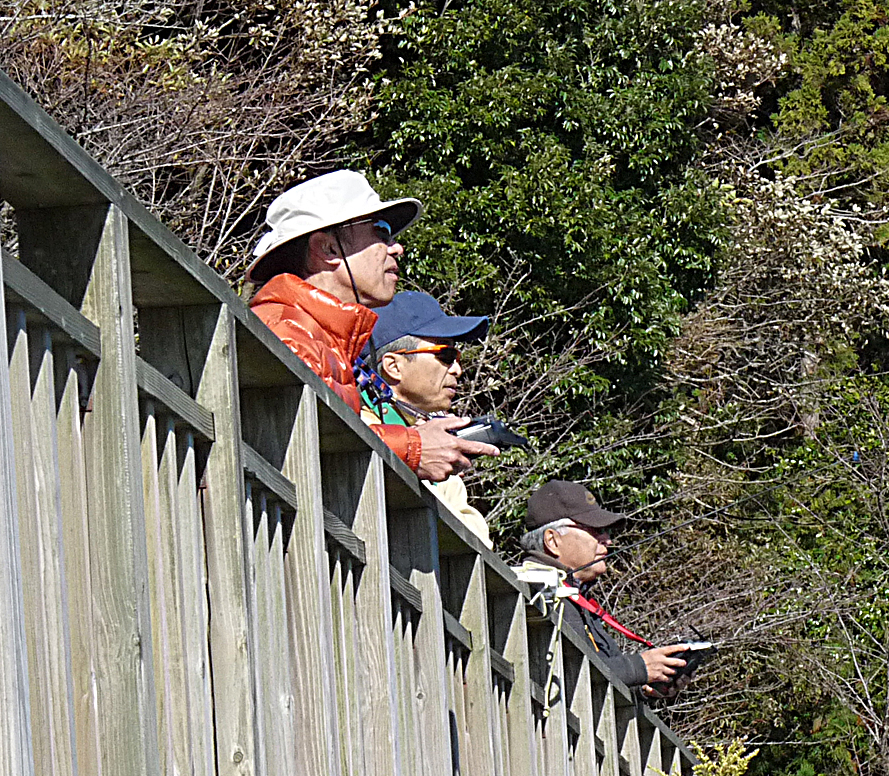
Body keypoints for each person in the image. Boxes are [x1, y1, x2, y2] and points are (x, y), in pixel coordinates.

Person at [246, 170, 497, 481]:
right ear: (328, 249)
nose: (396, 247)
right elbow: (303, 442)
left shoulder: (316, 336)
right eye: (381, 232)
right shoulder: (289, 333)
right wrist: (413, 448)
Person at [515, 481, 689, 696]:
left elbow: (594, 679)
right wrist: (637, 668)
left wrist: (645, 689)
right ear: (552, 540)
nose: (607, 540)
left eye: (605, 531)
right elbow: (564, 673)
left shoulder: (574, 597)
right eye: (594, 530)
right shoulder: (535, 593)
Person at [363, 291, 493, 547]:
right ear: (393, 366)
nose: (457, 369)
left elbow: (479, 540)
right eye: (445, 356)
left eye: (457, 358)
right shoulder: (357, 423)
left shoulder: (435, 447)